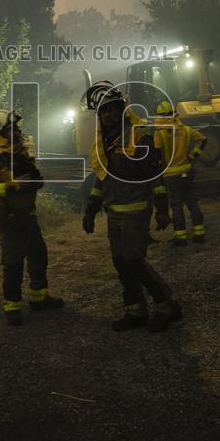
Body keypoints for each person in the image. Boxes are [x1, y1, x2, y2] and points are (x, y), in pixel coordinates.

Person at [82, 82, 181, 332]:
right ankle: (135, 310)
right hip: (114, 212)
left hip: (136, 210)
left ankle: (167, 306)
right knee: (119, 261)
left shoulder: (138, 137)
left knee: (134, 260)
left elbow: (154, 177)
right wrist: (91, 209)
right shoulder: (104, 143)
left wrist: (161, 210)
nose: (108, 115)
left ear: (122, 109)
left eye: (112, 109)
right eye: (103, 112)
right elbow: (101, 179)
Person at [0, 109, 64, 326]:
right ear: (1, 131)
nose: (17, 132)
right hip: (7, 215)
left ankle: (39, 298)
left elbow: (33, 178)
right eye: (11, 128)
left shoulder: (19, 152)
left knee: (38, 254)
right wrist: (14, 186)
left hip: (26, 213)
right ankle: (12, 306)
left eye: (16, 128)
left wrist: (36, 180)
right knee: (14, 261)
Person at [154, 100, 208, 245]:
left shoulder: (159, 133)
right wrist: (192, 156)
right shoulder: (185, 129)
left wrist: (160, 169)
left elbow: (158, 155)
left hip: (171, 176)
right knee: (192, 203)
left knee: (176, 206)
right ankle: (199, 234)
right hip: (186, 172)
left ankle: (181, 237)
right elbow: (203, 140)